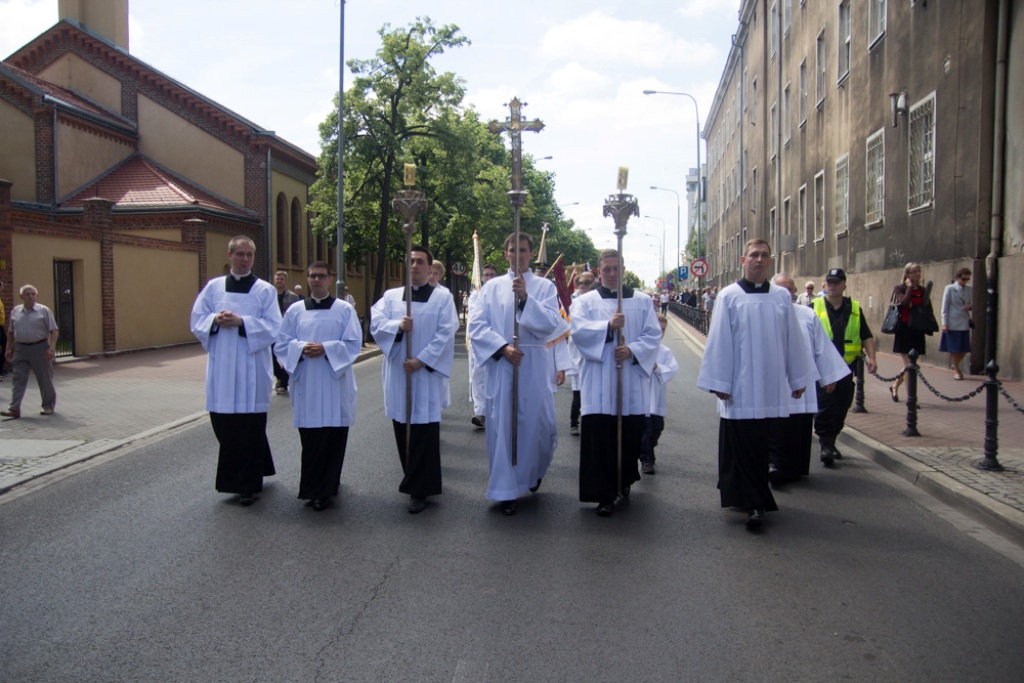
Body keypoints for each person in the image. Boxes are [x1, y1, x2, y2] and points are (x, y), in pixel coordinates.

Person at [697, 239, 814, 530]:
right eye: (754, 255)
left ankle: (753, 499)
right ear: (743, 260)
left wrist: (798, 379)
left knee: (761, 445)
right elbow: (719, 340)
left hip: (770, 385)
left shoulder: (780, 297)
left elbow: (793, 340)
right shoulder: (729, 296)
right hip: (739, 385)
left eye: (764, 255)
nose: (759, 260)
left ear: (770, 261)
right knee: (741, 443)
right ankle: (754, 504)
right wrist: (720, 381)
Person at [468, 233, 568, 515]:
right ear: (505, 255)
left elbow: (551, 324)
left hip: (534, 362)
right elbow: (477, 327)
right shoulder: (491, 288)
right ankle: (506, 490)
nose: (518, 254)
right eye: (513, 250)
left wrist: (525, 298)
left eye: (523, 250)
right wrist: (501, 348)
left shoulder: (545, 287)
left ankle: (533, 471)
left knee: (539, 426)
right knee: (503, 427)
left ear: (531, 253)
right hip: (503, 366)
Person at [190, 236, 281, 505]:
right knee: (225, 426)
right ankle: (246, 473)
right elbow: (197, 320)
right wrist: (214, 320)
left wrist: (243, 322)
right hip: (222, 369)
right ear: (230, 255)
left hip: (251, 369)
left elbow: (275, 327)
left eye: (249, 255)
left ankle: (248, 486)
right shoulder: (213, 288)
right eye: (240, 254)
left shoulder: (265, 290)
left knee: (250, 428)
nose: (245, 259)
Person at [570, 249, 662, 516]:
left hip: (629, 383)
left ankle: (623, 481)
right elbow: (578, 333)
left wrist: (632, 350)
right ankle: (604, 494)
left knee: (629, 437)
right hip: (598, 385)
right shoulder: (586, 302)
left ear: (623, 270)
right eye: (606, 269)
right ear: (599, 271)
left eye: (615, 269)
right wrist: (608, 328)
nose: (611, 274)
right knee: (600, 439)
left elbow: (652, 335)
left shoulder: (642, 301)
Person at [370, 245, 458, 514]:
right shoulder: (391, 297)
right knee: (404, 429)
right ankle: (411, 478)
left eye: (420, 261)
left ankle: (420, 488)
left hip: (424, 375)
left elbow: (446, 333)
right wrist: (397, 327)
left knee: (424, 431)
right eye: (410, 261)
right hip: (399, 373)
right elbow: (376, 324)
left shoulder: (442, 299)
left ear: (429, 268)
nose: (415, 265)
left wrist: (422, 360)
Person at [275, 262, 361, 512]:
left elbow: (353, 343)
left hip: (334, 382)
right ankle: (313, 488)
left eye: (321, 276)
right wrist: (301, 349)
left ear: (330, 279)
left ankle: (328, 486)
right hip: (308, 383)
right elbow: (281, 344)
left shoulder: (344, 310)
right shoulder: (295, 310)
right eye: (312, 276)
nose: (316, 280)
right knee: (311, 439)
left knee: (333, 437)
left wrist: (326, 348)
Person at [768, 274, 851, 483]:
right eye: (780, 289)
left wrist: (829, 376)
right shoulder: (762, 315)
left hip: (800, 385)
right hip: (773, 384)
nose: (785, 294)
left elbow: (821, 347)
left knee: (797, 429)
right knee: (774, 429)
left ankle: (794, 469)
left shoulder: (807, 315)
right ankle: (773, 465)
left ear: (795, 292)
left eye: (789, 289)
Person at [811, 268, 878, 467]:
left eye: (837, 282)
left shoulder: (855, 308)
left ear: (844, 285)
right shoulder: (814, 306)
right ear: (824, 285)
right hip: (822, 368)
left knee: (841, 407)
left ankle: (831, 440)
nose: (832, 285)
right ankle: (826, 444)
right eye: (829, 282)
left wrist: (872, 358)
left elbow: (866, 335)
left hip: (847, 367)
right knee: (825, 407)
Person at [2, 284, 59, 419]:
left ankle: (48, 405)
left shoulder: (43, 310)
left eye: (33, 294)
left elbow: (54, 330)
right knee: (18, 379)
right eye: (27, 294)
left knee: (44, 378)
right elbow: (11, 331)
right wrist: (8, 348)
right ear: (21, 296)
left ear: (37, 296)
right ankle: (14, 408)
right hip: (21, 348)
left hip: (39, 347)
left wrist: (51, 348)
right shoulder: (16, 311)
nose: (31, 296)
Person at [640, 314, 679, 475]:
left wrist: (657, 368)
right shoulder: (640, 347)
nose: (660, 332)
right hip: (642, 398)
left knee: (657, 428)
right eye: (658, 328)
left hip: (657, 397)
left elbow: (672, 369)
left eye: (663, 330)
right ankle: (647, 459)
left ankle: (646, 450)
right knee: (646, 430)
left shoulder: (665, 351)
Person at [890, 262, 930, 402]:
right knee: (909, 365)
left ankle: (894, 386)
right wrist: (909, 288)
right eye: (914, 271)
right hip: (904, 329)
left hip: (917, 329)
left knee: (912, 364)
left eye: (919, 271)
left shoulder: (923, 290)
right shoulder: (899, 288)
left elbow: (926, 308)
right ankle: (911, 397)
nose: (917, 274)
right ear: (907, 273)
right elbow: (904, 302)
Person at [467, 263, 499, 428]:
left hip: (497, 342)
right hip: (479, 342)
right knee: (478, 376)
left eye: (492, 275)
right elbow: (476, 317)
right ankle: (480, 413)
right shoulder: (475, 295)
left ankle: (495, 411)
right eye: (486, 275)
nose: (488, 278)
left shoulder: (502, 294)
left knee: (495, 377)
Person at [568, 271, 596, 436]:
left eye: (588, 285)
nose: (584, 288)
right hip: (578, 351)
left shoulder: (595, 300)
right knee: (578, 394)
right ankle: (574, 422)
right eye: (582, 285)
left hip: (592, 351)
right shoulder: (574, 301)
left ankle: (588, 422)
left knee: (590, 394)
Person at [940, 268, 973, 380]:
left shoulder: (969, 289)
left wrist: (970, 307)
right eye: (963, 279)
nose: (965, 281)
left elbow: (972, 302)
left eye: (968, 279)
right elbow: (945, 306)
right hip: (952, 321)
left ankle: (955, 364)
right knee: (954, 348)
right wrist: (944, 323)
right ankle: (957, 371)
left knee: (964, 348)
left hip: (964, 320)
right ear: (957, 278)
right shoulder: (950, 289)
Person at [272, 270, 301, 395]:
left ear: (286, 281)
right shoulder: (269, 295)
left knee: (286, 356)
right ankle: (281, 377)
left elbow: (297, 314)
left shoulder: (293, 297)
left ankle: (282, 382)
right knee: (271, 356)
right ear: (274, 280)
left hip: (287, 331)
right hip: (272, 331)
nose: (279, 281)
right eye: (277, 279)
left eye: (282, 279)